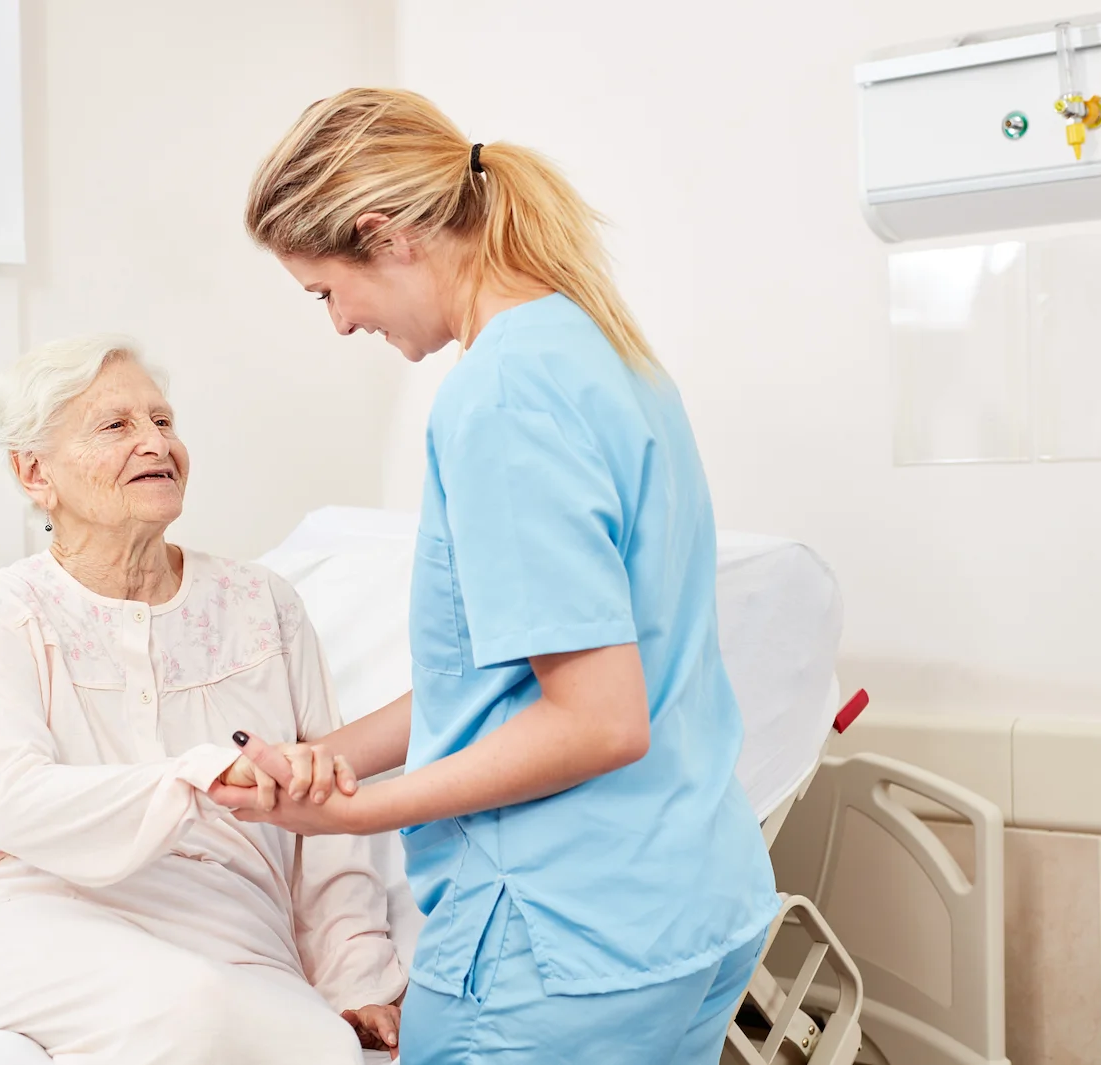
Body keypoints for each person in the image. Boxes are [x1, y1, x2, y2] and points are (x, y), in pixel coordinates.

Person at [222, 89, 780, 1064]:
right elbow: (500, 676)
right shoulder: (604, 351)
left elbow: (596, 719)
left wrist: (348, 814)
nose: (339, 324)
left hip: (559, 946)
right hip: (689, 912)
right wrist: (325, 755)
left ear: (383, 235)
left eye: (323, 291)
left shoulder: (502, 394)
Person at [0, 334, 406, 1064]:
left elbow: (327, 811)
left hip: (231, 929)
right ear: (33, 471)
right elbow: (17, 800)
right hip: (34, 912)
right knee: (192, 1010)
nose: (156, 443)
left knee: (321, 1046)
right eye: (116, 426)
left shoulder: (262, 603)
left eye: (164, 421)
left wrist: (355, 977)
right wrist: (202, 776)